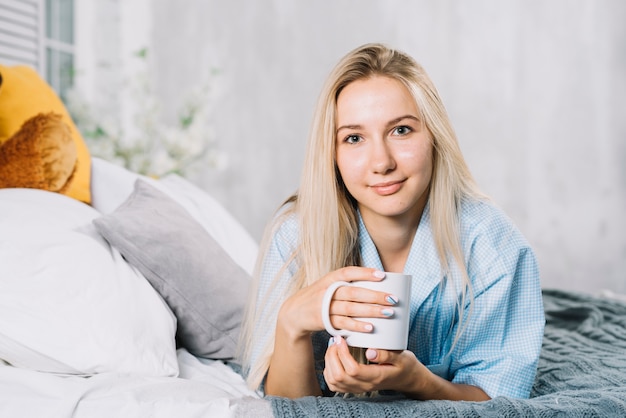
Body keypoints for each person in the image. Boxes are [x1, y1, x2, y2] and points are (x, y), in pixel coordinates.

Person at [240, 43, 545, 401]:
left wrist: (418, 382)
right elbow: (286, 406)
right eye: (354, 138)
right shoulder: (295, 237)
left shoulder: (492, 243)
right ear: (332, 154)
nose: (381, 162)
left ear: (433, 136)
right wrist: (291, 324)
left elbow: (500, 399)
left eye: (401, 131)